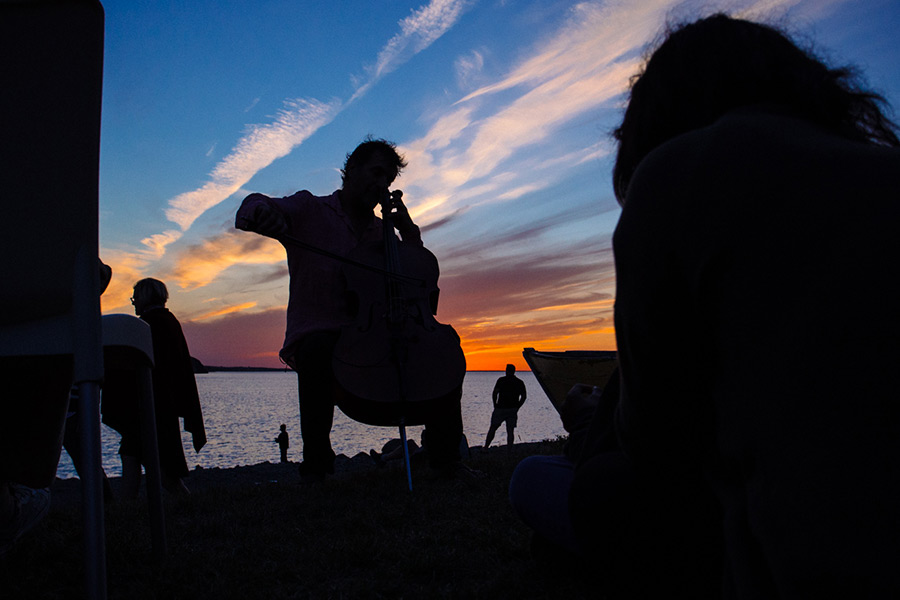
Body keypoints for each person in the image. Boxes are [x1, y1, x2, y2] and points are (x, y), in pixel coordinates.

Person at [511, 13, 900, 599]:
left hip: (804, 560)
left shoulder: (677, 174)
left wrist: (591, 420)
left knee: (542, 480)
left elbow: (659, 448)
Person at [235, 137, 466, 482]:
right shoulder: (311, 208)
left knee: (442, 349)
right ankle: (317, 466)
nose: (381, 185)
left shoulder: (381, 233)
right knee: (316, 349)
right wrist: (261, 213)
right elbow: (251, 205)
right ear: (351, 170)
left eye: (388, 179)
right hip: (321, 332)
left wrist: (407, 232)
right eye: (375, 173)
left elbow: (417, 283)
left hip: (373, 337)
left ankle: (446, 459)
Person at [103, 278, 207, 497]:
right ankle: (127, 508)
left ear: (146, 296)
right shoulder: (165, 321)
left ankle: (184, 503)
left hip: (153, 406)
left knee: (159, 467)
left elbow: (146, 364)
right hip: (153, 405)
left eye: (136, 297)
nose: (133, 303)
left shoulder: (155, 324)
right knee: (134, 455)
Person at [484, 364, 527, 447]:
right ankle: (509, 451)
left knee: (493, 428)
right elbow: (524, 396)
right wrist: (518, 406)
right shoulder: (519, 382)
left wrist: (495, 404)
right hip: (512, 409)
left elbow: (495, 393)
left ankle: (486, 447)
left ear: (506, 370)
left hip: (500, 408)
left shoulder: (501, 380)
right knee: (510, 431)